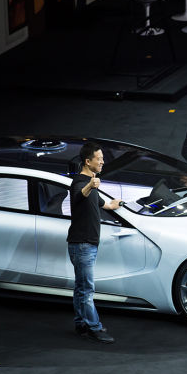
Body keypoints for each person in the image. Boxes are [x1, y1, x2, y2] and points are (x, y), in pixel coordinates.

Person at [67, 142, 123, 343]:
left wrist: (119, 204)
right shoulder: (80, 183)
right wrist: (91, 185)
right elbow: (79, 195)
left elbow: (106, 205)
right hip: (82, 244)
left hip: (86, 244)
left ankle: (81, 323)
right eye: (99, 159)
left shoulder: (92, 185)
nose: (102, 162)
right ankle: (94, 327)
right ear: (87, 161)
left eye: (102, 158)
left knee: (81, 288)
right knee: (87, 289)